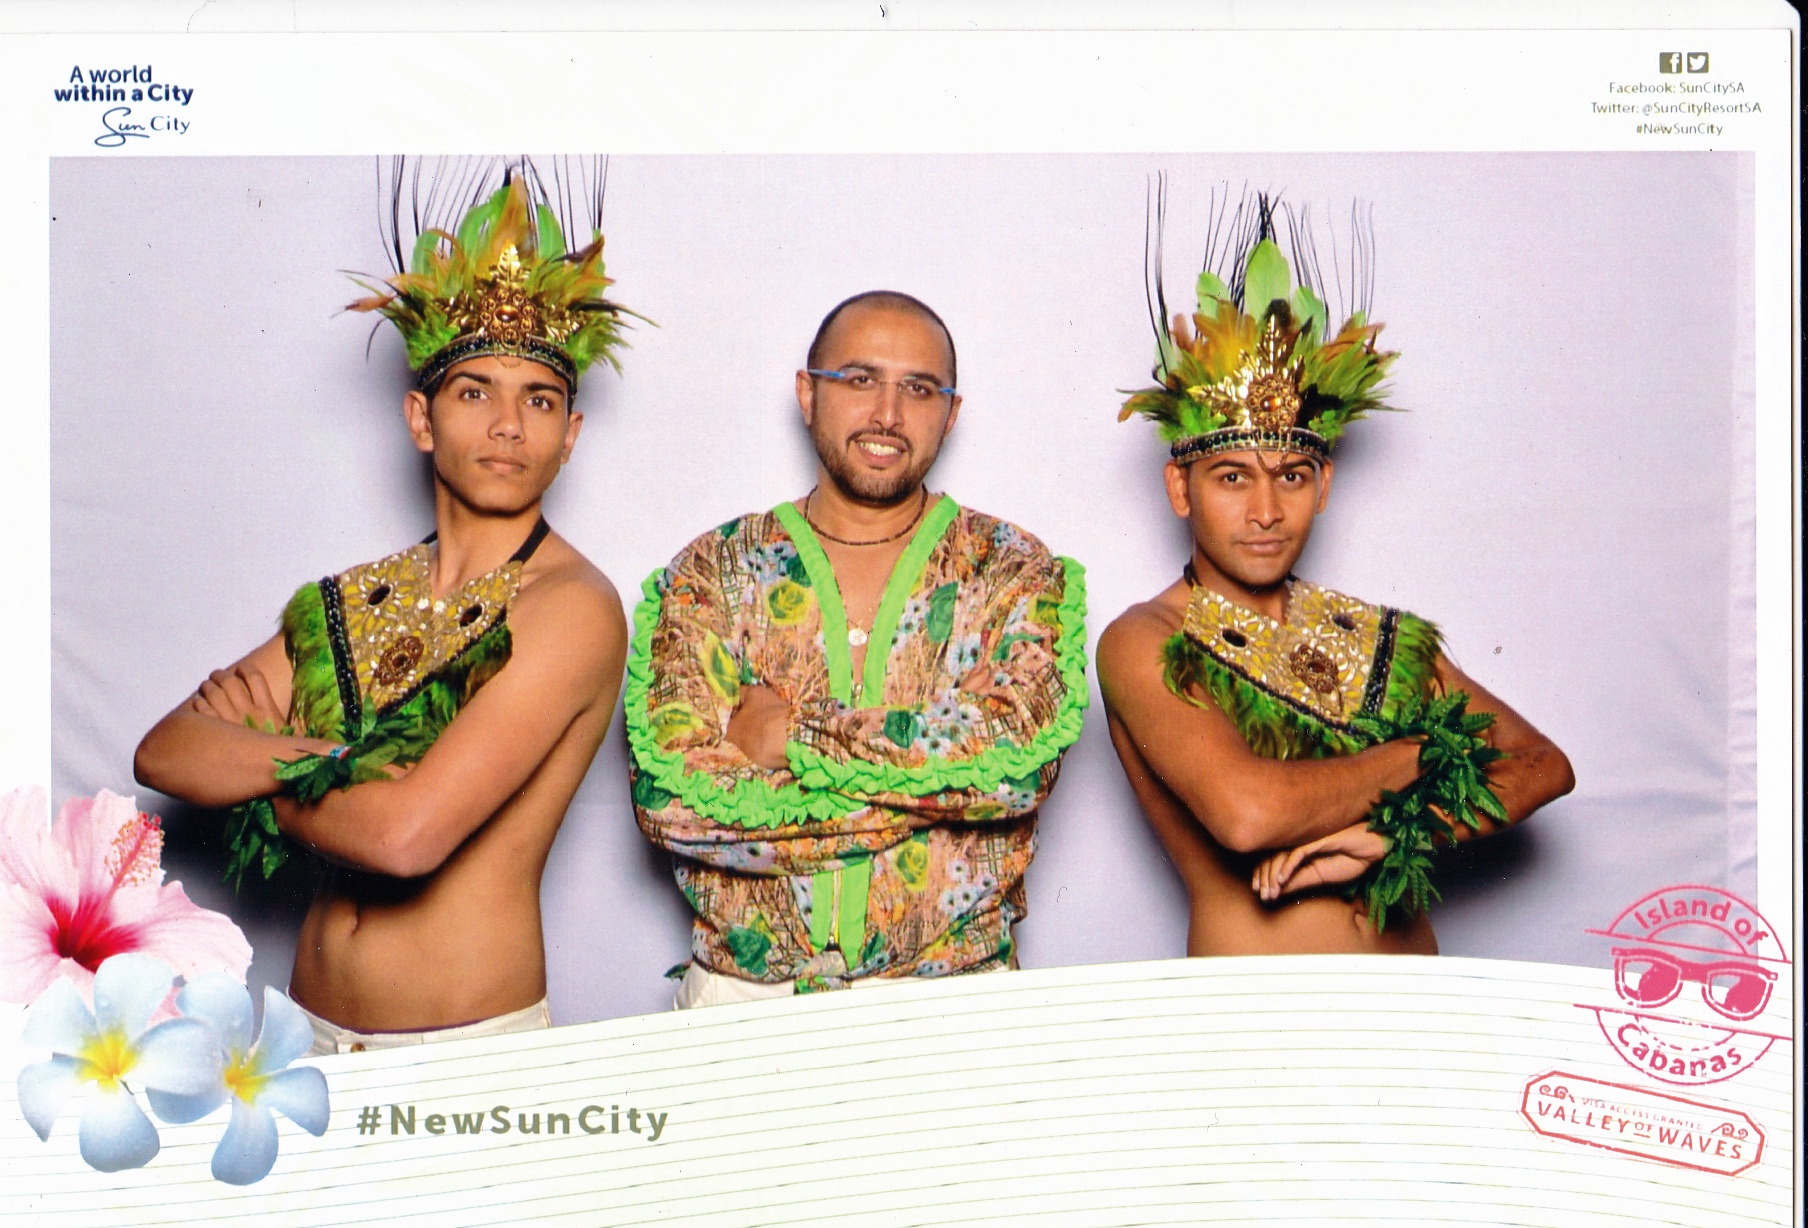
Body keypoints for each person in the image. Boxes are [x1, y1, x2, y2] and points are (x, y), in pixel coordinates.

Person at [134, 163, 632, 1053]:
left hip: (462, 1050)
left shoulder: (572, 608)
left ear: (570, 435)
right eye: (475, 391)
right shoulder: (362, 595)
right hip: (306, 1036)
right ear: (421, 418)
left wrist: (254, 767)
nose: (509, 424)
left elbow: (406, 838)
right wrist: (331, 763)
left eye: (540, 399)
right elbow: (167, 750)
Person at [1097, 193, 1574, 956]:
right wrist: (1424, 754)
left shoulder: (1374, 634)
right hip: (1266, 1007)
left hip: (1415, 999)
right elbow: (1248, 813)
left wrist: (1396, 833)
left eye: (1291, 476)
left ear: (1323, 487)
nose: (1265, 511)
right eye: (1231, 478)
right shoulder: (1146, 638)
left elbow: (1543, 765)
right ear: (1180, 489)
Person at [627, 290, 1087, 1004]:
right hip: (744, 1003)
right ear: (808, 394)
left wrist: (791, 735)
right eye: (860, 379)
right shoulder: (716, 569)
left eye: (920, 389)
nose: (888, 415)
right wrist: (940, 781)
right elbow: (672, 803)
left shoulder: (1009, 568)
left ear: (951, 413)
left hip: (955, 1003)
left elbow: (1016, 773)